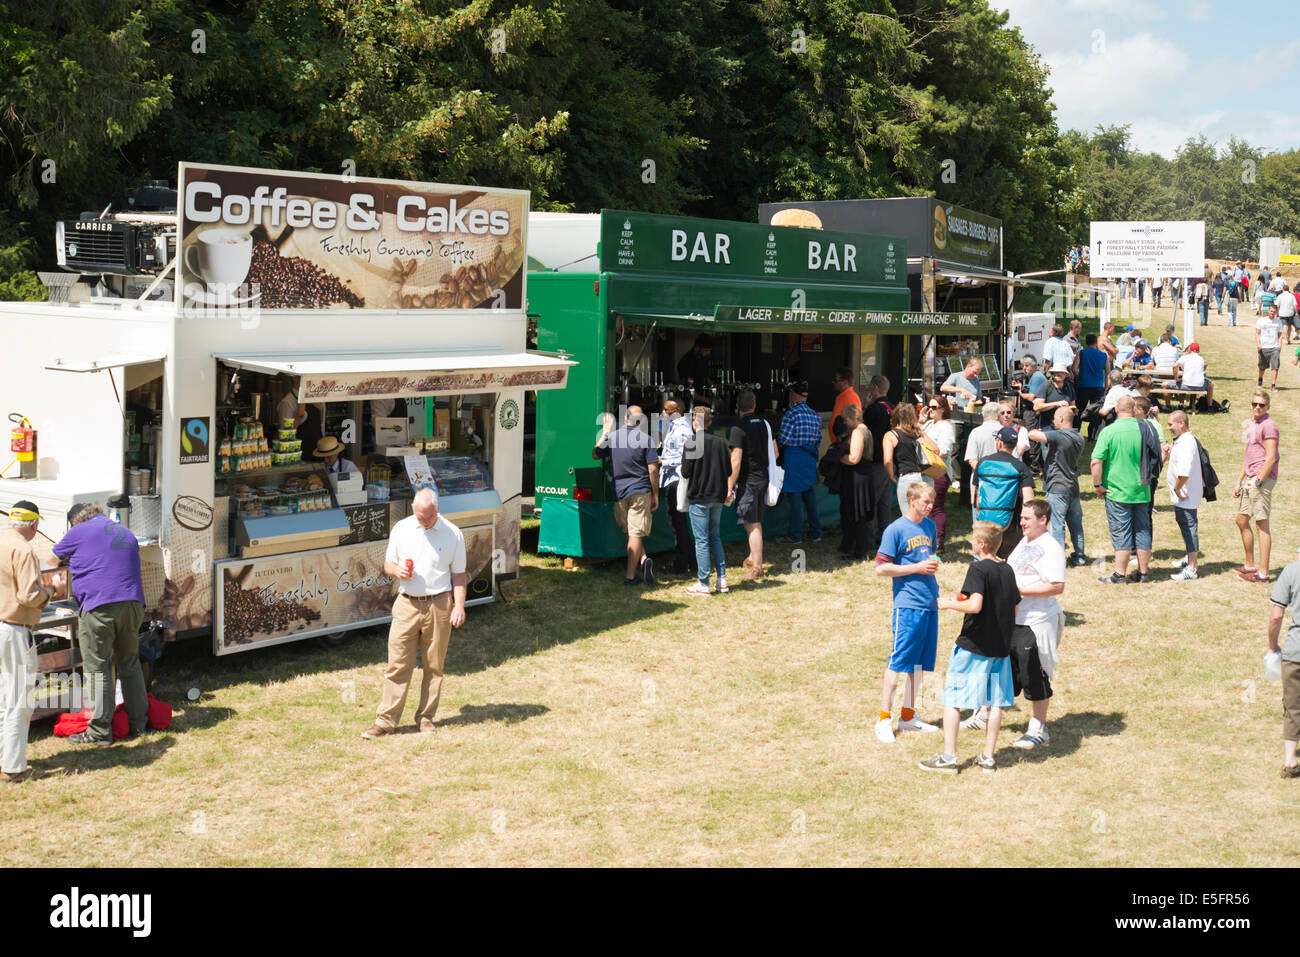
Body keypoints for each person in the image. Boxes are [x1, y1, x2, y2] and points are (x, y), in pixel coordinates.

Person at [362, 488, 467, 739]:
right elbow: (388, 564)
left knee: (434, 665)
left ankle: (426, 718)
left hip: (439, 603)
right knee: (397, 663)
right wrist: (397, 572)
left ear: (437, 510)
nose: (424, 521)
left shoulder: (453, 533)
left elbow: (459, 575)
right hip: (406, 603)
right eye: (420, 516)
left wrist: (459, 606)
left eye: (429, 517)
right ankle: (386, 721)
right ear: (413, 509)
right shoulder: (401, 528)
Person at [918, 521, 1019, 774]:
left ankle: (949, 758)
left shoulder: (978, 568)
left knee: (952, 698)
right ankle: (988, 757)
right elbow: (1015, 607)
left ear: (982, 544)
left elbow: (975, 605)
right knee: (995, 702)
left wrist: (948, 603)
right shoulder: (1007, 569)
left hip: (974, 645)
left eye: (973, 540)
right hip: (1000, 648)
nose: (970, 543)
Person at [52, 503, 149, 745]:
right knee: (130, 664)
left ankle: (100, 732)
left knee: (97, 668)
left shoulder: (78, 531)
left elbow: (50, 560)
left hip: (100, 606)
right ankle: (139, 724)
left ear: (76, 520)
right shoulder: (124, 531)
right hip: (133, 604)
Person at [874, 482, 942, 743]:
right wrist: (916, 568)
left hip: (929, 603)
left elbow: (930, 555)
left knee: (918, 664)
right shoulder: (896, 529)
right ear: (911, 500)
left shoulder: (929, 526)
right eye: (925, 501)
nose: (929, 506)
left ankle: (908, 716)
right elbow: (881, 568)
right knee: (898, 661)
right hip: (908, 605)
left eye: (931, 502)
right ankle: (883, 719)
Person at [0, 503, 60, 780]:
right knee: (18, 700)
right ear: (34, 525)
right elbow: (28, 596)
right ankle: (13, 767)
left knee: (3, 698)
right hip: (14, 629)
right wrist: (51, 590)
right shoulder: (24, 550)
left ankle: (5, 759)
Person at [1005, 499, 1066, 750]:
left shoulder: (1051, 547)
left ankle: (1039, 727)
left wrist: (1019, 591)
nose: (1022, 522)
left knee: (1035, 672)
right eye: (1021, 517)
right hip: (1014, 619)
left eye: (1027, 519)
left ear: (1043, 520)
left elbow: (1056, 586)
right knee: (1006, 670)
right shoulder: (1025, 541)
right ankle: (985, 714)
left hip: (1037, 621)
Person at [593, 405, 660, 586]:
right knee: (635, 532)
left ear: (625, 419)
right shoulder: (647, 439)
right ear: (640, 421)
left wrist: (605, 432)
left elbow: (595, 454)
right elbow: (653, 469)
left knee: (632, 532)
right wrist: (656, 494)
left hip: (619, 491)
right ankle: (631, 576)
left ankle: (643, 559)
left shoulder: (613, 437)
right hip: (640, 491)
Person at [1091, 395, 1154, 584]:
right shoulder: (1145, 429)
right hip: (1142, 489)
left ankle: (1120, 574)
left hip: (1117, 491)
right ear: (1134, 409)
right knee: (1142, 530)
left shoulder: (1109, 432)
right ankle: (1143, 573)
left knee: (1121, 532)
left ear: (1116, 410)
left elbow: (1096, 462)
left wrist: (1097, 485)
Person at [680, 406, 731, 596]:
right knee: (715, 537)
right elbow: (728, 470)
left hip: (699, 496)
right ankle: (722, 579)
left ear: (695, 422)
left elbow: (685, 472)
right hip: (717, 497)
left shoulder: (692, 442)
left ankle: (704, 583)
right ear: (710, 422)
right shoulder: (719, 442)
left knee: (701, 541)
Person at [1028, 404, 1087, 567]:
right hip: (1072, 486)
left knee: (1057, 524)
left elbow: (1032, 435)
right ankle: (1079, 556)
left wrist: (1036, 426)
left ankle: (1057, 559)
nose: (1053, 421)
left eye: (1054, 418)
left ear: (1061, 418)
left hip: (1057, 486)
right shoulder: (1079, 437)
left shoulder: (1059, 436)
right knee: (1076, 524)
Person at [728, 390, 777, 581]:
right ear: (755, 405)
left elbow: (736, 460)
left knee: (752, 524)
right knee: (756, 520)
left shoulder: (738, 428)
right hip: (763, 478)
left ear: (737, 406)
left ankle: (757, 567)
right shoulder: (766, 424)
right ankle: (751, 557)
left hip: (748, 480)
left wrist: (729, 485)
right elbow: (775, 452)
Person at [1235, 389, 1280, 583]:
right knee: (1241, 519)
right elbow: (1248, 454)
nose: (1257, 407)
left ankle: (1263, 573)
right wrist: (1239, 480)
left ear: (1267, 407)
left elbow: (1271, 458)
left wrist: (1260, 480)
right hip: (1249, 479)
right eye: (1254, 404)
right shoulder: (1252, 423)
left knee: (1262, 525)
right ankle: (1250, 565)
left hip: (1261, 480)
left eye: (1261, 405)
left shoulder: (1269, 426)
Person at [972, 426, 1036, 559]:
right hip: (1011, 522)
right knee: (1011, 560)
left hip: (986, 520)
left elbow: (974, 497)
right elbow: (1029, 500)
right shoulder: (1020, 467)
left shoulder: (983, 463)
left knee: (985, 557)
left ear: (999, 442)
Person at [775, 381, 823, 546]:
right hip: (809, 457)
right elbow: (818, 440)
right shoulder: (815, 415)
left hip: (793, 458)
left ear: (794, 395)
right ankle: (815, 532)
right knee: (809, 495)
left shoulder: (791, 414)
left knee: (794, 496)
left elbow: (783, 439)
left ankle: (795, 535)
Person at [839, 405, 889, 560]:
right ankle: (854, 545)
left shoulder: (858, 432)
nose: (844, 422)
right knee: (859, 512)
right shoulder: (865, 429)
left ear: (854, 418)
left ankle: (858, 550)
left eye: (846, 419)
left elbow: (854, 458)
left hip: (858, 475)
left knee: (857, 513)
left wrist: (838, 457)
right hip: (864, 474)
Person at [1267, 548, 1300, 779]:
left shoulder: (1291, 571)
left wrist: (1272, 645)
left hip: (1296, 651)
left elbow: (1276, 616)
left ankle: (1290, 761)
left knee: (1292, 707)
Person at [656, 398, 697, 575]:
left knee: (677, 523)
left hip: (677, 479)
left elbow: (686, 457)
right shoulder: (675, 427)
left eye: (666, 410)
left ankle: (682, 564)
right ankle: (691, 561)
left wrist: (662, 461)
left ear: (676, 410)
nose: (663, 413)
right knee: (678, 523)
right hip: (671, 478)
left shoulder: (682, 430)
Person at [1165, 410, 1203, 581]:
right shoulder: (1183, 440)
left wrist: (1178, 489)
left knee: (1189, 529)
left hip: (1186, 495)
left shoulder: (1187, 443)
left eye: (1170, 424)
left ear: (1181, 423)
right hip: (1183, 496)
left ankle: (1192, 569)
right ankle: (1189, 558)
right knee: (1185, 527)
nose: (1168, 428)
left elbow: (1185, 472)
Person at [882, 402, 941, 514]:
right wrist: (921, 433)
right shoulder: (918, 432)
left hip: (908, 479)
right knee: (923, 520)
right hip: (927, 478)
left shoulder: (891, 435)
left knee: (909, 519)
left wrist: (891, 476)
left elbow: (887, 460)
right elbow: (936, 450)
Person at [922, 395, 957, 551]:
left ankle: (938, 543)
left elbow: (943, 451)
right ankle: (928, 539)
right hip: (925, 471)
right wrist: (921, 422)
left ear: (943, 409)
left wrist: (924, 438)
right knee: (925, 508)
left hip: (939, 472)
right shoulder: (929, 424)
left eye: (934, 407)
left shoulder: (946, 426)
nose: (930, 410)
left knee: (936, 508)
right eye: (929, 406)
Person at [1076, 333, 1109, 436]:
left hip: (1083, 385)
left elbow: (1074, 368)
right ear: (1096, 342)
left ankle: (1076, 431)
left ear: (1086, 342)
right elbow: (1108, 372)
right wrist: (1106, 386)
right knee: (1095, 410)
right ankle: (1093, 434)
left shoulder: (1081, 353)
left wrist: (1079, 376)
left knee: (1079, 410)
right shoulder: (1104, 355)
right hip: (1098, 386)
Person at [1032, 364, 1076, 431]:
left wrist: (1072, 410)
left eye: (1061, 372)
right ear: (1053, 373)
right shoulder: (1046, 386)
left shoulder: (1069, 387)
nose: (1058, 374)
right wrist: (1057, 404)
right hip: (1047, 428)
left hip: (1064, 429)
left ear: (1065, 374)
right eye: (1056, 372)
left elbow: (1073, 405)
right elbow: (1036, 407)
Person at [676, 333, 714, 405]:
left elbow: (706, 378)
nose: (708, 353)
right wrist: (708, 401)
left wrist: (715, 391)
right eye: (706, 350)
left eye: (709, 350)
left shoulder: (704, 359)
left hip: (703, 402)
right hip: (690, 404)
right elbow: (688, 391)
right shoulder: (686, 362)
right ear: (697, 348)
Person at [1172, 342, 1213, 407]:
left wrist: (1176, 378)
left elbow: (1174, 366)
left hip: (1185, 384)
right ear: (1198, 351)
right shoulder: (1201, 359)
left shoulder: (1185, 357)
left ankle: (1179, 405)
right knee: (1210, 384)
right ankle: (1210, 407)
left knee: (1167, 384)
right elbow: (1205, 364)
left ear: (1189, 350)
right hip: (1199, 386)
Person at [829, 368, 863, 444]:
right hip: (840, 441)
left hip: (846, 443)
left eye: (836, 380)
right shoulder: (842, 396)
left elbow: (855, 422)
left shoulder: (851, 397)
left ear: (845, 383)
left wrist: (844, 437)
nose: (833, 382)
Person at [1256, 304, 1285, 391]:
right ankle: (1260, 378)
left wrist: (1279, 346)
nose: (1272, 313)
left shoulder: (1278, 322)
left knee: (1275, 367)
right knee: (1262, 366)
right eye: (1271, 311)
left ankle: (1273, 385)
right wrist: (1258, 344)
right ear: (1268, 311)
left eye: (1274, 312)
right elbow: (1257, 333)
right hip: (1264, 347)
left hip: (1274, 347)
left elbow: (1280, 335)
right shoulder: (1261, 321)